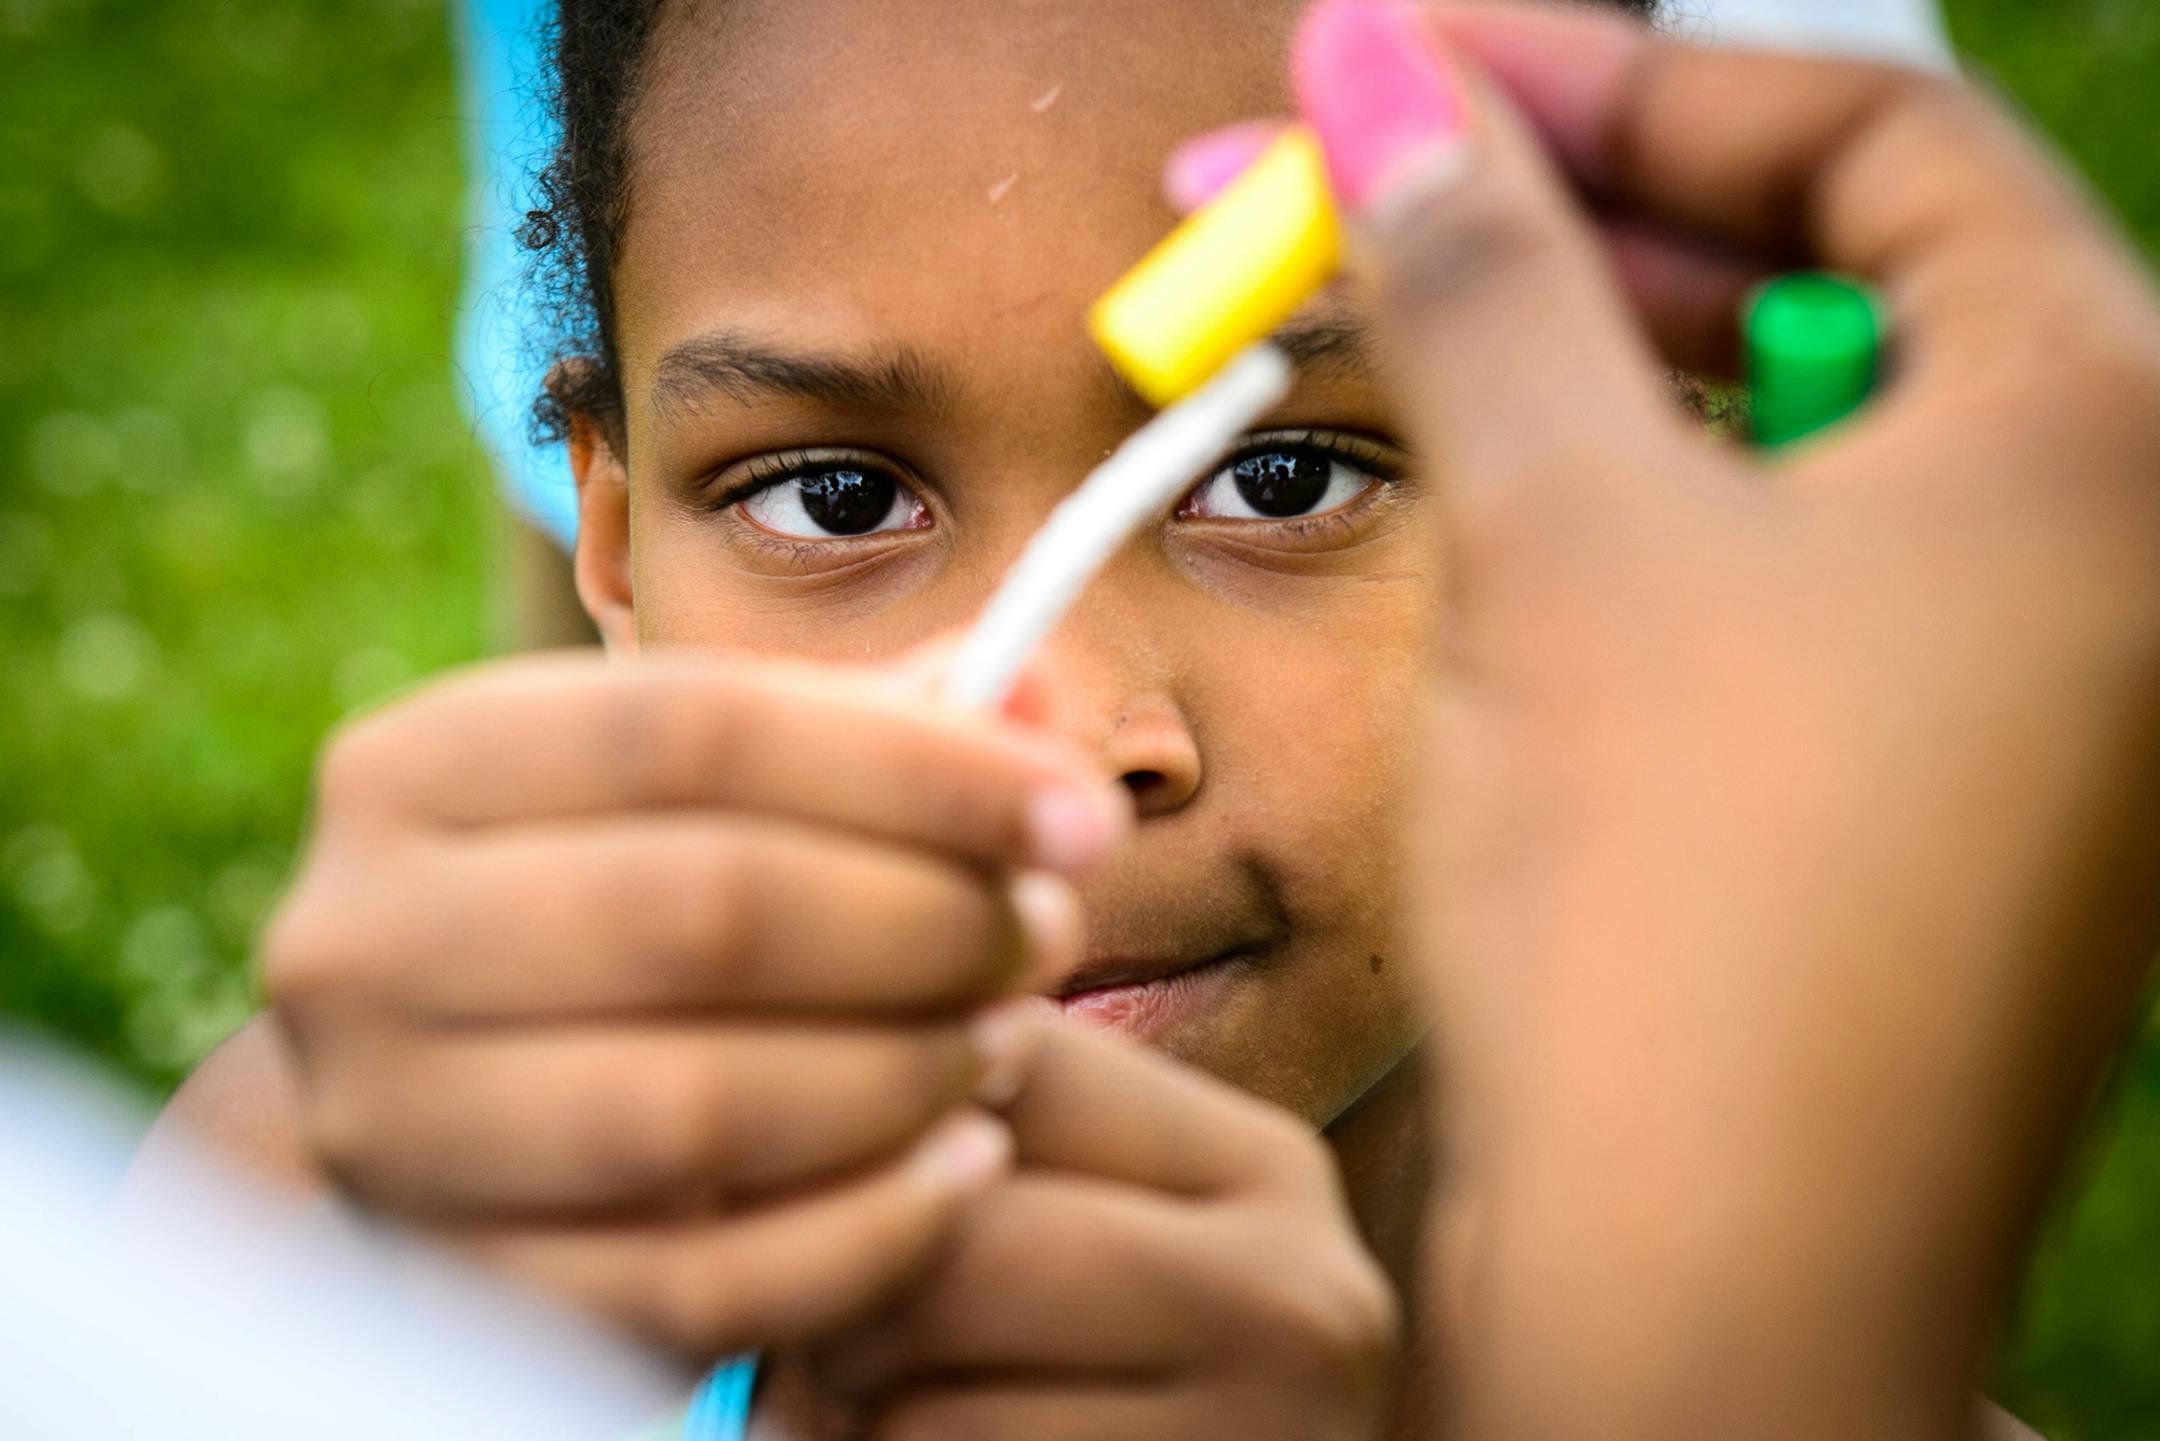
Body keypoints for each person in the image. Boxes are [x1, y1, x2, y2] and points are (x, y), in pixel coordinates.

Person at [137, 1, 2160, 1438]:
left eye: (1285, 481)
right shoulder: (321, 1245)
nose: (1067, 743)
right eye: (836, 501)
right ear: (610, 538)